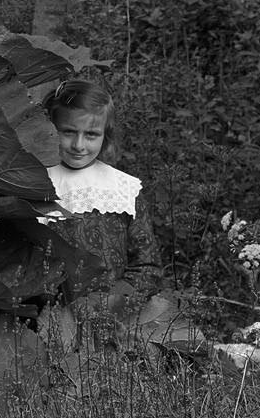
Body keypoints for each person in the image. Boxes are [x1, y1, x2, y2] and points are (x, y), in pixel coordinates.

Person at [40, 79, 187, 349]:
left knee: (172, 344)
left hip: (116, 311)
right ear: (50, 129)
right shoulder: (34, 184)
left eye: (91, 135)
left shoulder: (122, 189)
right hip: (54, 313)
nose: (78, 144)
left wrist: (114, 301)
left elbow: (147, 264)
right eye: (68, 132)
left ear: (105, 135)